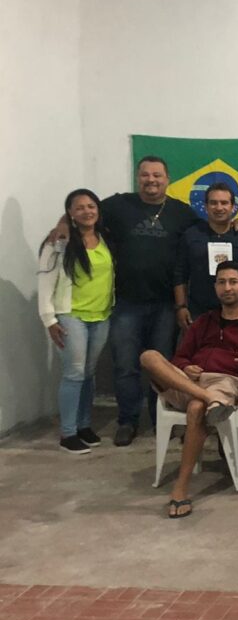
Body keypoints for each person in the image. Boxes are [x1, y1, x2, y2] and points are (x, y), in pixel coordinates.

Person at [140, 261, 238, 519]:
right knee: (148, 356)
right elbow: (179, 357)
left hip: (225, 382)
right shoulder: (204, 321)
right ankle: (207, 399)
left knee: (196, 408)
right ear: (215, 287)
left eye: (233, 282)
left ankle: (180, 490)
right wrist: (186, 366)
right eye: (222, 282)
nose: (228, 288)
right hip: (191, 383)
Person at [103, 156, 202, 446]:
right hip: (126, 302)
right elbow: (84, 211)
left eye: (157, 175)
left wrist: (237, 223)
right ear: (138, 178)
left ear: (167, 179)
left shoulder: (182, 213)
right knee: (125, 366)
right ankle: (127, 421)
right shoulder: (119, 205)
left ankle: (161, 418)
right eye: (145, 175)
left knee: (163, 366)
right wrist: (62, 224)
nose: (151, 180)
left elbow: (210, 231)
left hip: (165, 305)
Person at [38, 189, 115, 454]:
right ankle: (67, 433)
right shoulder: (58, 242)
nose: (87, 211)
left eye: (91, 206)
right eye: (79, 207)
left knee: (88, 373)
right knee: (73, 373)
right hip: (71, 315)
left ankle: (84, 426)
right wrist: (49, 319)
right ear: (69, 212)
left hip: (101, 315)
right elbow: (45, 281)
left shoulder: (105, 238)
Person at [173, 182, 238, 328]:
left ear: (233, 207)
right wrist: (181, 307)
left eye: (224, 203)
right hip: (198, 313)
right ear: (205, 206)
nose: (219, 208)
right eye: (213, 203)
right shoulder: (191, 235)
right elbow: (180, 273)